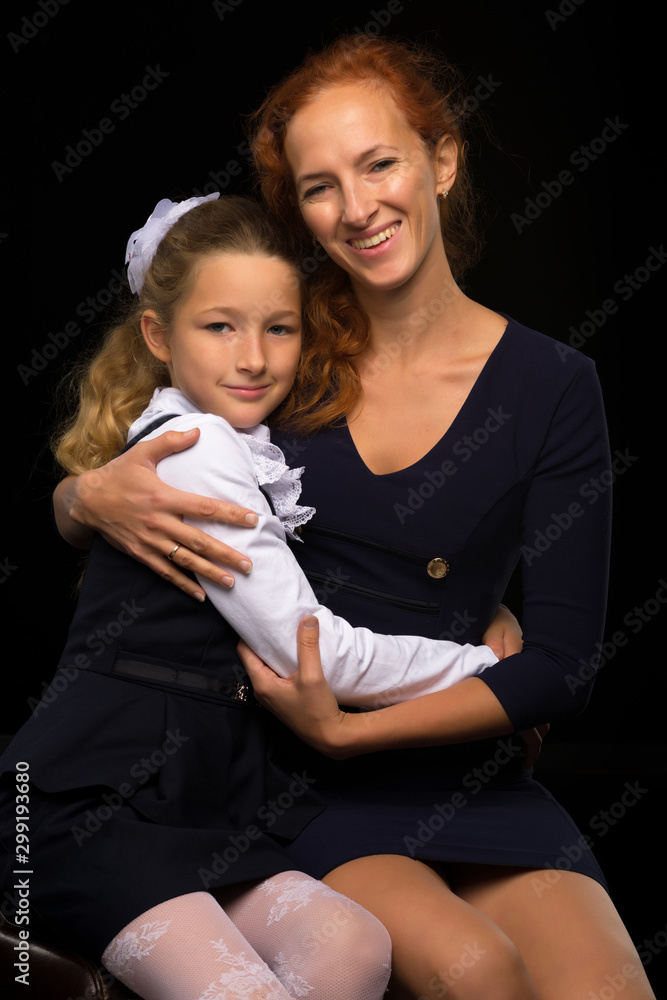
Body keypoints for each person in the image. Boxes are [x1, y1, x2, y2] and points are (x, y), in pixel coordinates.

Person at [50, 36, 656, 1000]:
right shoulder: (276, 346)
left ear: (441, 160)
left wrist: (452, 647)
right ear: (296, 208)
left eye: (379, 163)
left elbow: (560, 668)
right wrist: (79, 496)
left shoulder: (553, 384)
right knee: (473, 970)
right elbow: (153, 440)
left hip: (460, 764)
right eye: (320, 185)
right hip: (292, 780)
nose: (358, 206)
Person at [0, 192, 512, 1000]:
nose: (252, 358)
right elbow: (317, 651)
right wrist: (489, 669)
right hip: (88, 803)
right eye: (219, 326)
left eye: (278, 327)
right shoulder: (196, 448)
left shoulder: (258, 448)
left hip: (200, 796)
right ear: (158, 336)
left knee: (349, 943)